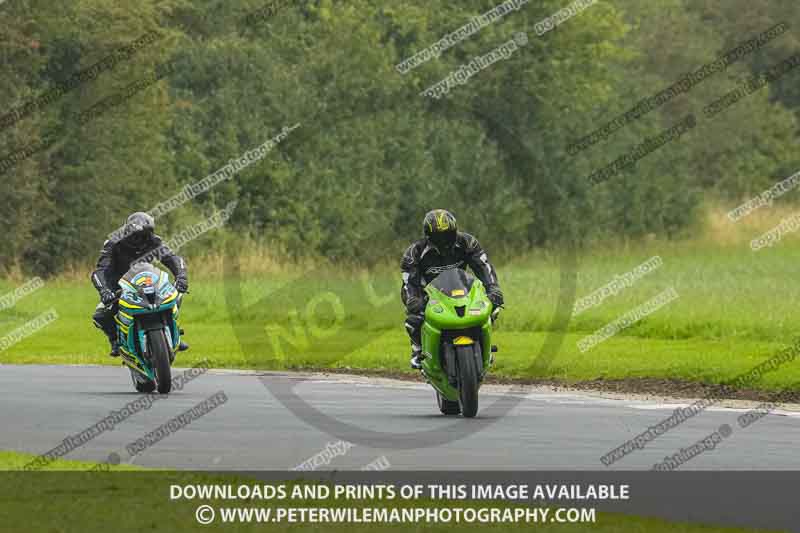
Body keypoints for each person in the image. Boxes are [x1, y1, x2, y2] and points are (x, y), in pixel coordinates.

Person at [401, 209, 504, 369]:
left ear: (455, 231)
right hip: (428, 292)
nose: (444, 241)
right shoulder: (415, 252)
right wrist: (413, 299)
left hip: (461, 288)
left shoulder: (467, 242)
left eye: (448, 235)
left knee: (491, 307)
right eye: (438, 237)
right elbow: (409, 282)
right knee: (414, 317)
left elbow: (484, 267)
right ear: (428, 236)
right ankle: (418, 349)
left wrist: (493, 288)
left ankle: (484, 346)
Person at [91, 212, 189, 356]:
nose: (139, 240)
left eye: (144, 236)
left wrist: (181, 276)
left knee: (175, 296)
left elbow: (172, 258)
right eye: (135, 236)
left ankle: (174, 334)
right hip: (119, 288)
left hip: (147, 283)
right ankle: (115, 340)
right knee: (100, 316)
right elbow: (99, 271)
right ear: (126, 231)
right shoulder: (113, 243)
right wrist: (104, 290)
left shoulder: (154, 241)